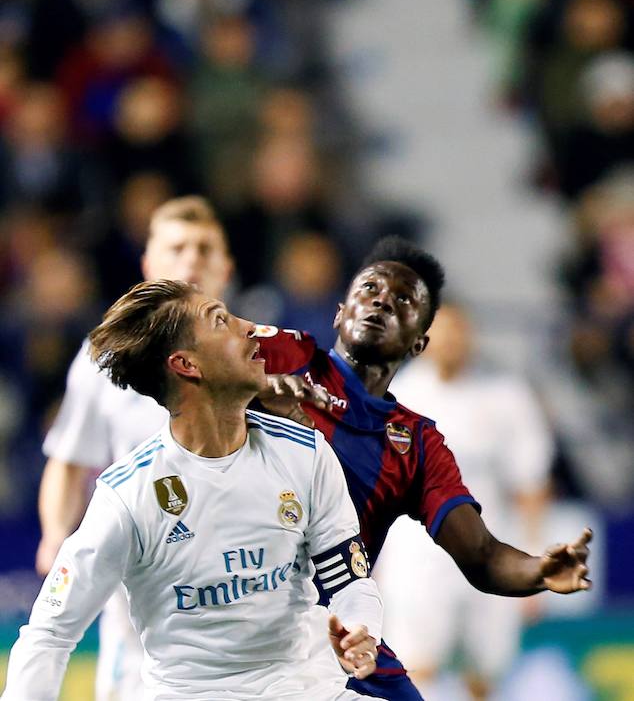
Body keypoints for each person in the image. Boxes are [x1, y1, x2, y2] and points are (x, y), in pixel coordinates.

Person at [2, 281, 385, 701]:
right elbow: (50, 633)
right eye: (221, 321)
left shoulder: (305, 454)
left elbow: (350, 580)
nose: (251, 328)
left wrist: (359, 626)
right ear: (186, 364)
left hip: (309, 689)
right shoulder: (128, 496)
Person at [255, 235, 593, 701]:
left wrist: (536, 570)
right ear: (339, 311)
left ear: (418, 340)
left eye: (403, 301)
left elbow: (482, 555)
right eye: (370, 287)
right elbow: (192, 344)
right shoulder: (280, 355)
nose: (381, 301)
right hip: (232, 610)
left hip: (332, 631)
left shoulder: (417, 443)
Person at [36, 195, 234, 700]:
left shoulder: (260, 356)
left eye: (204, 247)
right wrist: (56, 536)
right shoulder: (105, 357)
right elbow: (68, 460)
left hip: (243, 582)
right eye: (177, 247)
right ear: (148, 264)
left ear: (225, 266)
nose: (191, 259)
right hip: (141, 594)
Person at [375, 302, 555, 700]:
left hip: (487, 547)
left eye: (459, 331)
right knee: (414, 665)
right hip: (416, 552)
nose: (451, 340)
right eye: (441, 331)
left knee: (486, 672)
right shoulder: (397, 395)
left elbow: (531, 480)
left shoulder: (506, 396)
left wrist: (535, 558)